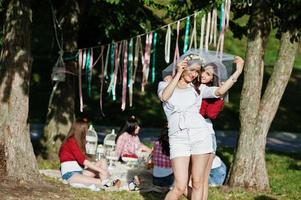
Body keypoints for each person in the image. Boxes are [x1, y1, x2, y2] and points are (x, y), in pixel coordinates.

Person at [157, 49, 244, 200]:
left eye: (197, 71)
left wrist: (238, 72)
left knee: (197, 183)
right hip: (178, 138)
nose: (194, 74)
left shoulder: (198, 89)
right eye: (192, 70)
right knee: (179, 186)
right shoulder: (164, 84)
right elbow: (165, 97)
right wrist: (178, 74)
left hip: (200, 136)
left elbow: (219, 91)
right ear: (183, 67)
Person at [59, 118, 110, 186]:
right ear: (81, 131)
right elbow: (82, 160)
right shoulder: (70, 141)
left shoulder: (78, 142)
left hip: (81, 172)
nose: (87, 132)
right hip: (70, 174)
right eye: (86, 130)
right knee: (98, 181)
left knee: (103, 161)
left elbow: (84, 158)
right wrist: (101, 170)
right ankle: (106, 181)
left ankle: (105, 180)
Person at [152, 124, 174, 188]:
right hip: (169, 179)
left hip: (156, 179)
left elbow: (153, 159)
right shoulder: (173, 145)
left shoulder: (156, 143)